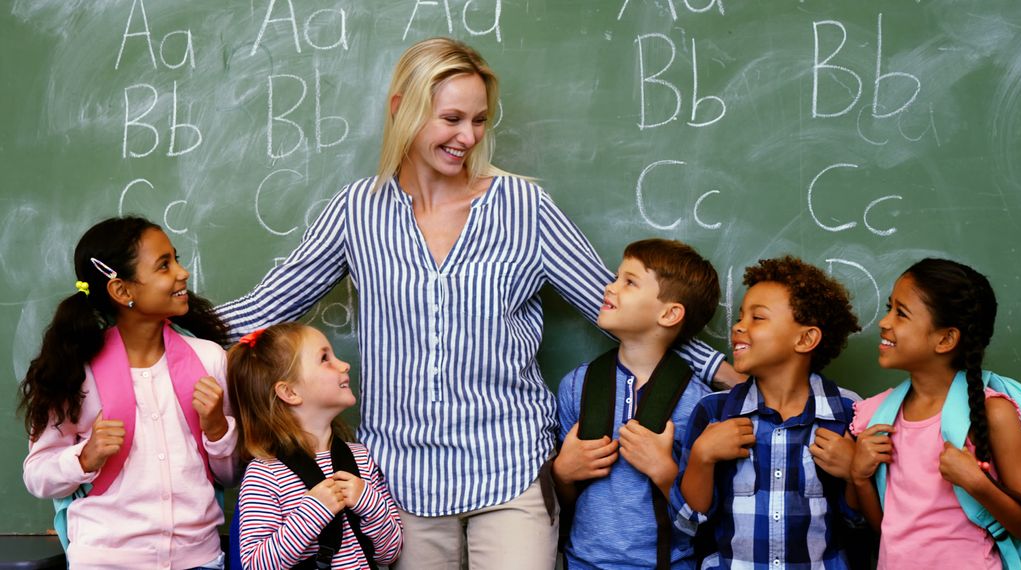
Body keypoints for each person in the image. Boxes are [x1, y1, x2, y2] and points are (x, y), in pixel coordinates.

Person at [215, 36, 741, 567]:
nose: (468, 137)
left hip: (510, 468)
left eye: (480, 120)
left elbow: (621, 313)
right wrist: (162, 321)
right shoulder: (359, 211)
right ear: (402, 109)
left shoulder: (523, 207)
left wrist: (721, 372)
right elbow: (269, 307)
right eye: (451, 118)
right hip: (401, 481)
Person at [20, 216, 236, 569]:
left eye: (176, 259)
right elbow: (37, 475)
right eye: (164, 265)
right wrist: (85, 457)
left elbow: (229, 475)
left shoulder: (209, 360)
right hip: (106, 560)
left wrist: (216, 428)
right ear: (122, 291)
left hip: (199, 559)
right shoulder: (76, 371)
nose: (182, 273)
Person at [849, 258, 1021, 569]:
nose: (885, 322)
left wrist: (978, 483)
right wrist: (859, 476)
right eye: (889, 309)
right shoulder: (877, 417)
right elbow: (885, 530)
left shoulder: (993, 414)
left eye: (902, 313)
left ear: (946, 339)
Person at [673, 255, 863, 569]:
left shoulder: (847, 412)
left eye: (757, 318)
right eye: (741, 316)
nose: (738, 326)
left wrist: (856, 472)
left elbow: (859, 523)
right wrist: (701, 457)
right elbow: (688, 522)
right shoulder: (715, 410)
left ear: (805, 338)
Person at [553, 239, 720, 569]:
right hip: (582, 563)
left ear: (670, 314)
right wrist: (562, 474)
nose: (609, 288)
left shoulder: (698, 403)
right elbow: (559, 503)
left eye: (628, 282)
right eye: (616, 277)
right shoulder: (577, 386)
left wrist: (664, 470)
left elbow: (706, 516)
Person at [228, 322, 403, 569]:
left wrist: (370, 503)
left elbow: (390, 553)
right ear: (289, 392)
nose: (344, 365)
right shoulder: (265, 474)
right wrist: (312, 513)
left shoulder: (362, 458)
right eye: (325, 358)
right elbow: (255, 564)